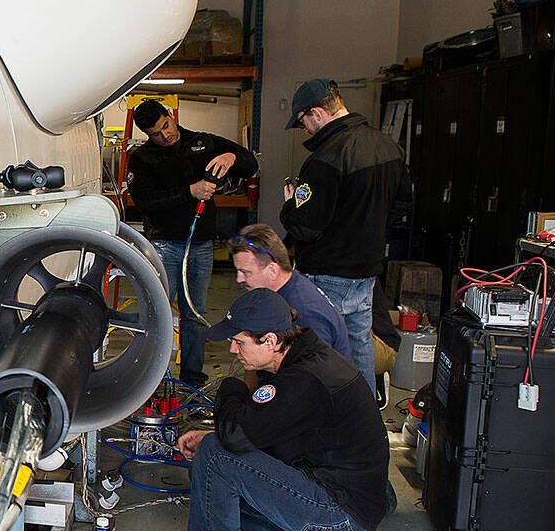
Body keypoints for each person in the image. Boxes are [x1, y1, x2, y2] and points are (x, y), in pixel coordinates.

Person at [155, 288, 390, 531]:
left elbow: (235, 437)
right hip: (354, 500)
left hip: (338, 516)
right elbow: (264, 428)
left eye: (239, 342)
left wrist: (233, 385)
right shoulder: (306, 358)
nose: (232, 350)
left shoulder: (304, 380)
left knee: (214, 456)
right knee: (219, 472)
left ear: (270, 341)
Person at [279, 79, 408, 392]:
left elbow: (304, 228)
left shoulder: (325, 159)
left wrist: (290, 205)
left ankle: (323, 419)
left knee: (318, 349)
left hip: (328, 273)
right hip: (366, 271)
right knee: (358, 344)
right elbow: (401, 210)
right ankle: (362, 416)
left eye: (303, 122)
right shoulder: (388, 146)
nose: (306, 130)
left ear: (317, 113)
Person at [128, 99, 258, 385]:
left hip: (200, 245)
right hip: (164, 245)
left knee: (195, 314)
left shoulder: (202, 143)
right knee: (158, 314)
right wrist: (191, 191)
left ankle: (191, 380)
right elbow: (145, 202)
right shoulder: (142, 159)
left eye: (166, 126)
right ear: (147, 134)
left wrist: (231, 158)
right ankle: (153, 381)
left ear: (171, 116)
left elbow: (251, 164)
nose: (166, 135)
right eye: (156, 134)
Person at [228, 223, 351, 362]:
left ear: (272, 271)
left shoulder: (304, 312)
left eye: (245, 272)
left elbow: (318, 374)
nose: (239, 279)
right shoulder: (283, 289)